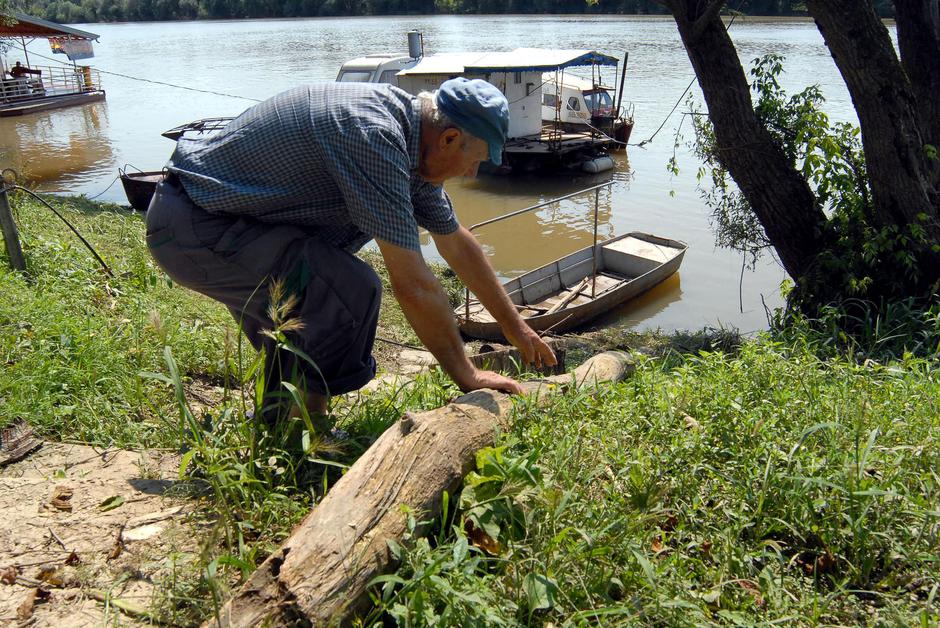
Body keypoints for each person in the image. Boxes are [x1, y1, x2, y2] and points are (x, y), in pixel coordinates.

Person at [146, 78, 556, 427]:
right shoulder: (373, 136)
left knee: (308, 301)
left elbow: (455, 242)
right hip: (193, 229)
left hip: (222, 225)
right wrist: (467, 374)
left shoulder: (413, 144)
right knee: (348, 289)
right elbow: (413, 284)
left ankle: (280, 425)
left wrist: (515, 328)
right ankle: (308, 431)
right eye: (474, 161)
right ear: (449, 137)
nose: (471, 174)